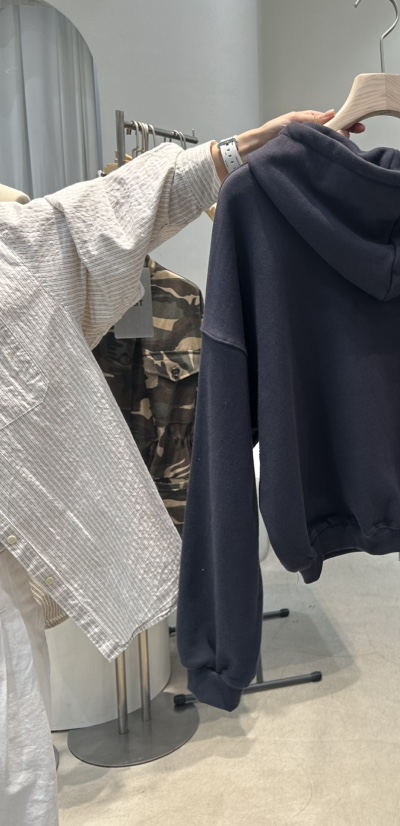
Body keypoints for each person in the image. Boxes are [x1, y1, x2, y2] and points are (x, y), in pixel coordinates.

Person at [0, 108, 363, 825]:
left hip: (141, 504)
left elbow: (90, 222)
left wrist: (234, 151)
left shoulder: (47, 259)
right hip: (95, 514)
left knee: (15, 759)